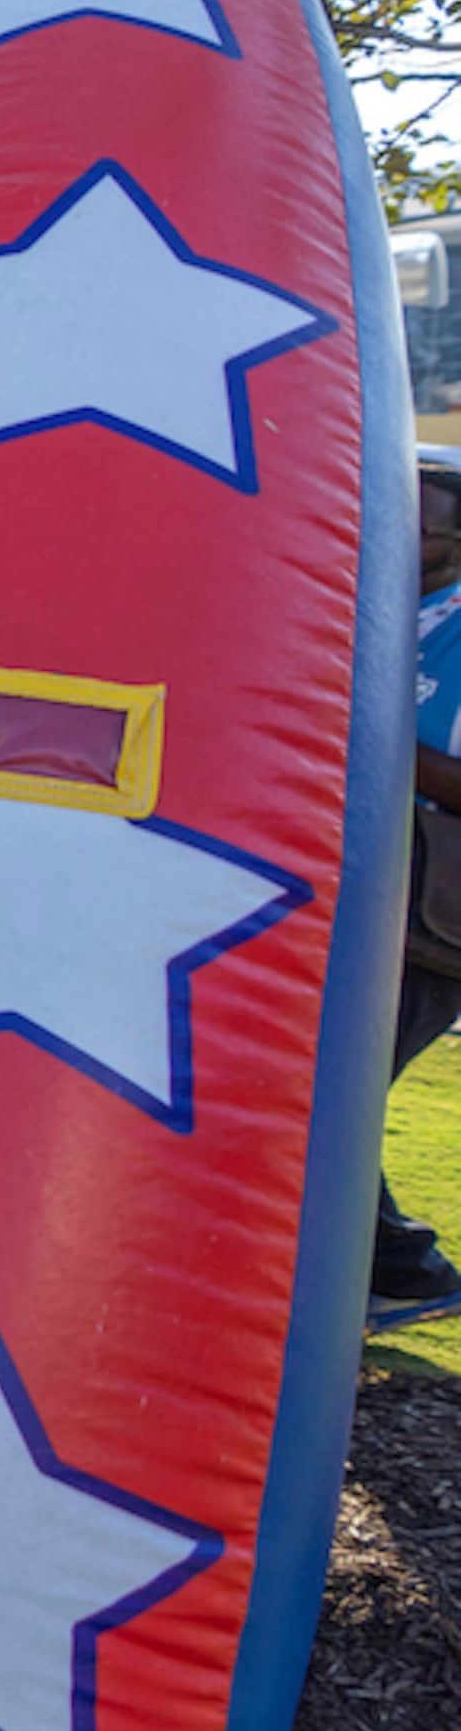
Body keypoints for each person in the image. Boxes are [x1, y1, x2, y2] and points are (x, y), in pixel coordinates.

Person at [382, 455, 461, 1323]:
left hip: (429, 922)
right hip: (358, 900)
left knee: (337, 1093)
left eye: (418, 524)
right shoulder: (378, 615)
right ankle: (396, 1269)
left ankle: (406, 1271)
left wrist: (378, 738)